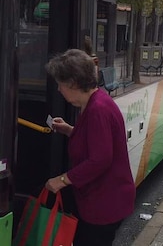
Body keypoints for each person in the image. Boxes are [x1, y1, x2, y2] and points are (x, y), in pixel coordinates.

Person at [43, 49, 134, 246]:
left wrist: (62, 180)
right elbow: (95, 140)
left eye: (60, 84)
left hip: (103, 204)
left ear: (73, 83)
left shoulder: (97, 110)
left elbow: (100, 159)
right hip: (106, 200)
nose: (58, 89)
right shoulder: (95, 101)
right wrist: (69, 130)